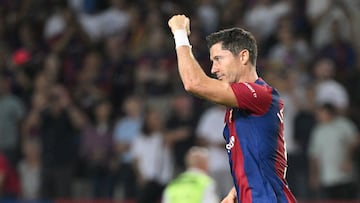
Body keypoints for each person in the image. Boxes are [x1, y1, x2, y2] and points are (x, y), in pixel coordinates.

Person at [168, 15, 297, 203]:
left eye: (218, 59)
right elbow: (263, 158)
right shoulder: (238, 109)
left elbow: (193, 83)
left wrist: (179, 34)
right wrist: (236, 191)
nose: (213, 69)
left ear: (243, 56)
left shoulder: (259, 94)